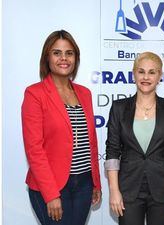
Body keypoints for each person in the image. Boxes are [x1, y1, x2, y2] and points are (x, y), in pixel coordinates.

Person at [21, 30, 101, 225]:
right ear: (47, 57)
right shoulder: (35, 94)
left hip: (83, 183)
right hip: (51, 186)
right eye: (57, 53)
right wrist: (50, 194)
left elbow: (91, 142)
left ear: (76, 58)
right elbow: (34, 150)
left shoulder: (85, 93)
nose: (64, 58)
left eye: (69, 53)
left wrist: (95, 182)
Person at [104, 52, 164, 225]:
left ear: (159, 76)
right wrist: (114, 190)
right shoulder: (119, 108)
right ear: (134, 74)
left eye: (152, 72)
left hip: (163, 190)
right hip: (128, 189)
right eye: (141, 72)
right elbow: (112, 151)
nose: (146, 77)